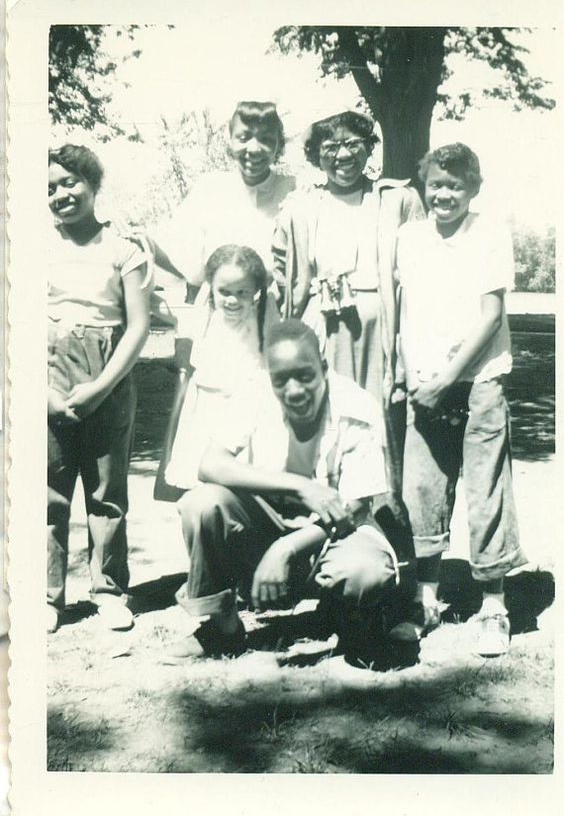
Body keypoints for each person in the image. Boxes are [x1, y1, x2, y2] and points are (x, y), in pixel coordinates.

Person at [168, 319, 416, 664]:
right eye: (281, 379)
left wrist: (285, 548)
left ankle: (349, 619)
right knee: (201, 503)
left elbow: (356, 507)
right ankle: (222, 630)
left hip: (334, 534)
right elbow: (210, 465)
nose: (295, 390)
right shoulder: (253, 393)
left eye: (305, 375)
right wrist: (301, 486)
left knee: (364, 572)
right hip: (270, 521)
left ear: (324, 368)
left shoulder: (357, 406)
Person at [395, 142, 527, 656]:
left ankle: (495, 605)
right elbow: (405, 312)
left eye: (455, 185)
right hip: (425, 383)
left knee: (485, 489)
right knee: (422, 489)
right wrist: (410, 375)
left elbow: (491, 315)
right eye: (436, 185)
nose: (444, 194)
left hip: (478, 380)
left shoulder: (489, 232)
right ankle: (425, 598)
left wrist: (449, 377)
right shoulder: (409, 237)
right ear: (424, 189)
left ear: (473, 189)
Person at [272, 109, 425, 498]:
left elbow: (420, 272)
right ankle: (320, 513)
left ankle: (382, 519)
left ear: (369, 147)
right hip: (321, 329)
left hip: (380, 332)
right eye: (331, 147)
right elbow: (281, 273)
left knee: (380, 419)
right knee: (324, 416)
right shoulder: (300, 207)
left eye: (353, 144)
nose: (343, 155)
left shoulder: (396, 199)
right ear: (316, 155)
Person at [47, 144, 153, 633]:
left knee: (106, 491)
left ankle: (110, 590)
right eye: (50, 188)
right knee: (49, 491)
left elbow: (137, 327)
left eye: (69, 183)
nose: (61, 194)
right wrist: (43, 393)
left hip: (108, 374)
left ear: (93, 185)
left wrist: (101, 388)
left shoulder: (123, 248)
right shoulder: (34, 247)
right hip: (48, 371)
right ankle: (48, 597)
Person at [163, 244, 277, 493]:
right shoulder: (207, 314)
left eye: (242, 292)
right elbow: (168, 313)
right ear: (211, 288)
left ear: (256, 291)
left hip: (246, 410)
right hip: (207, 408)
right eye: (224, 291)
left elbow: (270, 362)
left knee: (239, 484)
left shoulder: (263, 316)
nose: (233, 300)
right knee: (199, 482)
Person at [154, 100, 296, 290]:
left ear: (278, 144)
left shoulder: (294, 191)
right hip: (219, 308)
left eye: (266, 139)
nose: (254, 149)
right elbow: (187, 265)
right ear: (230, 139)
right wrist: (148, 246)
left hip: (275, 310)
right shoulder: (209, 188)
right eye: (244, 138)